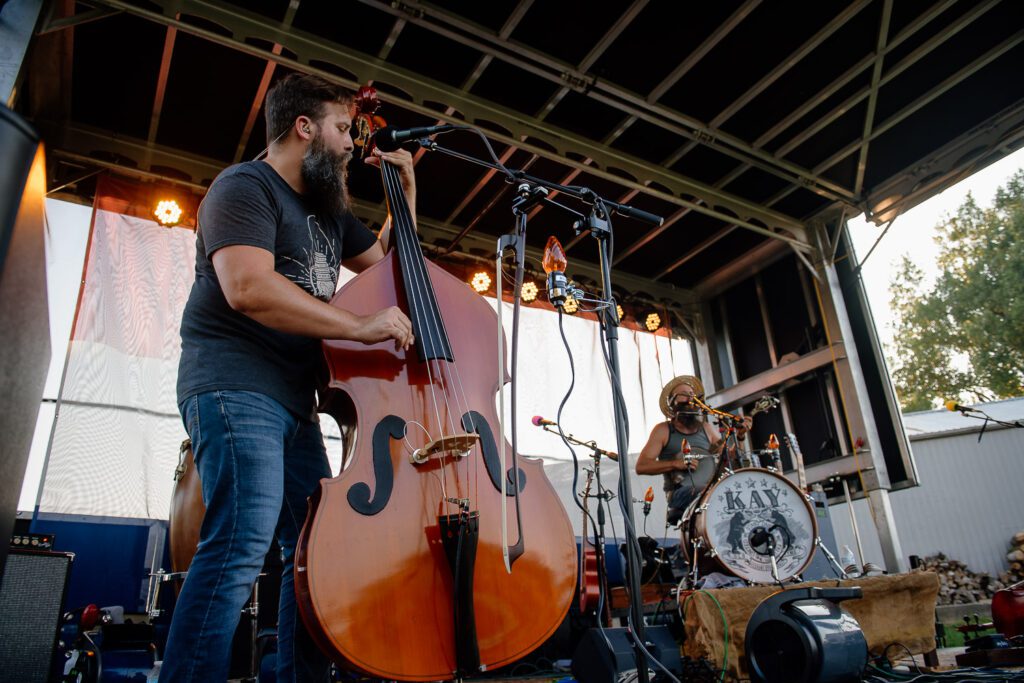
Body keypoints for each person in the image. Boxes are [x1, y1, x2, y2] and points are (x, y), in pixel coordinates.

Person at [164, 73, 416, 683]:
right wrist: (357, 327)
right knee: (240, 545)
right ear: (304, 127)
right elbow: (247, 287)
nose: (352, 143)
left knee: (312, 553)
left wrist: (404, 193)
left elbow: (388, 265)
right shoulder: (244, 186)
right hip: (234, 384)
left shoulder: (328, 210)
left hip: (294, 402)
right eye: (341, 128)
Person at [635, 375, 750, 526]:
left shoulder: (707, 429)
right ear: (672, 403)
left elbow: (730, 461)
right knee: (712, 493)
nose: (689, 398)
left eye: (692, 395)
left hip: (711, 490)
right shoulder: (663, 430)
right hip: (681, 493)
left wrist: (740, 437)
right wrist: (676, 464)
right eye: (683, 394)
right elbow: (641, 466)